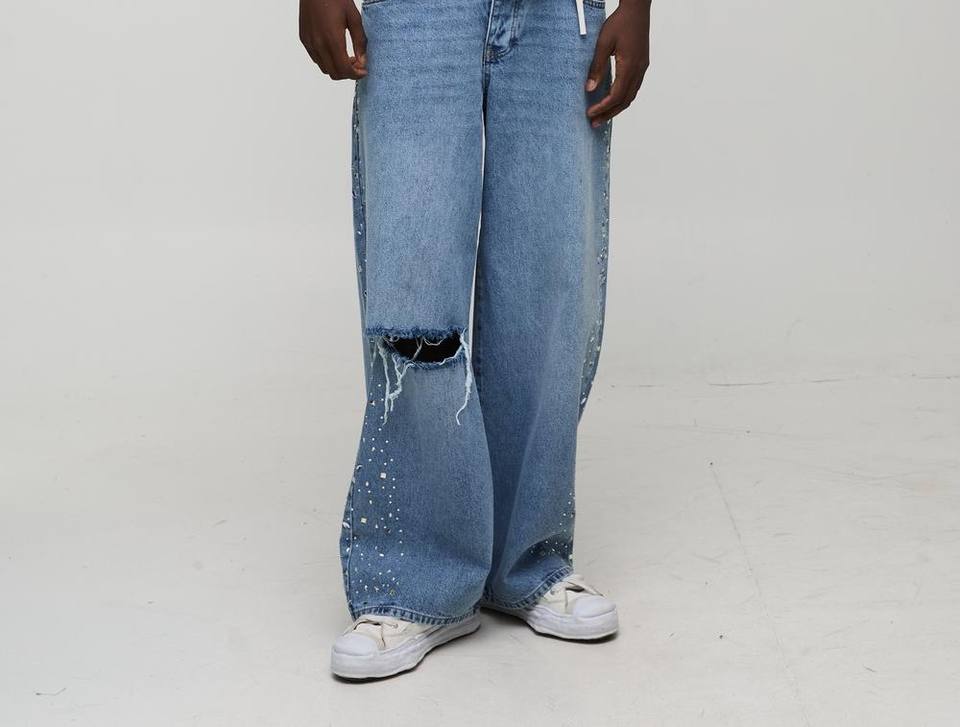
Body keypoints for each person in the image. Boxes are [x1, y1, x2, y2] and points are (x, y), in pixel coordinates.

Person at [300, 0, 650, 680]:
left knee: (548, 288)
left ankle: (528, 562)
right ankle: (415, 581)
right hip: (419, 12)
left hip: (559, 17)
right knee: (415, 284)